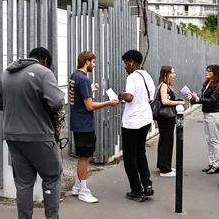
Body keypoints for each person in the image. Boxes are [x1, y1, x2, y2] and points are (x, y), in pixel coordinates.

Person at [0, 47, 70, 219]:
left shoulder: (6, 73)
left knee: (24, 184)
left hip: (13, 136)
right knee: (52, 177)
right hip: (39, 136)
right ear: (45, 60)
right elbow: (56, 103)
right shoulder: (44, 72)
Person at [69, 51, 119, 203]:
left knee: (85, 155)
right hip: (84, 124)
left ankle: (77, 186)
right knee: (85, 157)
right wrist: (109, 103)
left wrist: (90, 90)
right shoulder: (83, 80)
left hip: (78, 122)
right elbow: (89, 106)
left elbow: (78, 96)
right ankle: (83, 191)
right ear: (87, 62)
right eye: (94, 62)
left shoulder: (75, 76)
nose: (95, 65)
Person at [118, 50, 156, 202]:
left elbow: (129, 97)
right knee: (141, 152)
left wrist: (121, 95)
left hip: (132, 122)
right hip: (146, 119)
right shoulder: (147, 75)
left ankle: (136, 190)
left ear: (132, 62)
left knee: (130, 157)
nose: (125, 66)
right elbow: (151, 96)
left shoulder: (132, 77)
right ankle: (147, 185)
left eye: (126, 63)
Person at [189, 64, 219, 175]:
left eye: (210, 71)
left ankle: (216, 164)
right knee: (209, 139)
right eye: (207, 71)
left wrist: (198, 99)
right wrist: (192, 99)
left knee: (214, 139)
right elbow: (203, 99)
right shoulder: (207, 83)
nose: (207, 73)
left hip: (214, 114)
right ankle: (211, 162)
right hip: (207, 113)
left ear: (215, 73)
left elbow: (212, 100)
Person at [155, 66, 186, 178]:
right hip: (165, 117)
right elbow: (164, 101)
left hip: (166, 117)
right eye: (172, 73)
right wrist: (178, 103)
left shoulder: (165, 85)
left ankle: (164, 165)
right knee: (166, 141)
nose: (174, 75)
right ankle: (164, 168)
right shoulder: (163, 85)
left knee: (166, 140)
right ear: (166, 74)